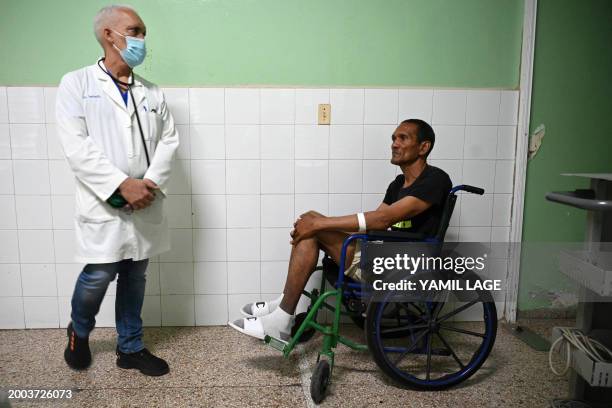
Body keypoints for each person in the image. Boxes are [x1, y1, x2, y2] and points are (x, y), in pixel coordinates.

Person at [229, 119, 451, 341]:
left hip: (403, 267)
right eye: (393, 138)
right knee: (311, 217)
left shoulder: (435, 179)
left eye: (403, 138)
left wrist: (320, 225)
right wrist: (315, 222)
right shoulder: (398, 184)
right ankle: (284, 306)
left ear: (424, 147)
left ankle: (283, 316)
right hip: (383, 255)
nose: (394, 144)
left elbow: (384, 219)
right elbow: (373, 226)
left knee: (315, 226)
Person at [56, 5, 179, 376]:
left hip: (145, 200)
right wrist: (120, 186)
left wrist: (148, 184)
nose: (142, 39)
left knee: (135, 276)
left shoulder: (151, 93)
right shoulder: (76, 84)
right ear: (109, 35)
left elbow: (170, 141)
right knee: (99, 274)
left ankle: (131, 348)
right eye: (135, 30)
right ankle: (79, 330)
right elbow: (75, 146)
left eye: (143, 32)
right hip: (104, 201)